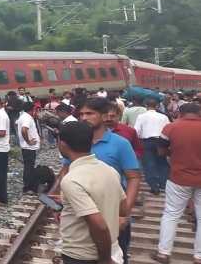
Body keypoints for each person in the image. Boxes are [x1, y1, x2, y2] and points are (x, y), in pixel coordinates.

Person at [58, 98, 140, 264]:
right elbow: (66, 171)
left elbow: (133, 178)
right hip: (85, 206)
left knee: (118, 251)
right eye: (81, 114)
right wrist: (64, 195)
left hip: (112, 208)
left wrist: (125, 214)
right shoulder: (79, 141)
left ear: (104, 116)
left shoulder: (121, 143)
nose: (84, 118)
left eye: (89, 113)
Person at [152, 103, 201, 264]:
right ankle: (198, 256)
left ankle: (163, 253)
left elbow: (161, 151)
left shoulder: (170, 128)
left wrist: (175, 153)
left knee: (171, 215)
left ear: (180, 113)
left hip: (178, 178)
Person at [135, 98, 171, 195]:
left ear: (146, 106)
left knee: (148, 164)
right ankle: (163, 182)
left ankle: (154, 186)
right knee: (162, 162)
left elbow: (136, 131)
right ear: (157, 106)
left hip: (146, 141)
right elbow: (168, 129)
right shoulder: (163, 117)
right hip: (161, 141)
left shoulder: (141, 116)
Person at [17, 101, 40, 194]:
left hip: (26, 146)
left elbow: (16, 124)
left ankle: (29, 186)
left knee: (28, 166)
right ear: (33, 109)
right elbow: (24, 130)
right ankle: (27, 188)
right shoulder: (27, 118)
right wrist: (28, 141)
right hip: (29, 147)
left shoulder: (22, 116)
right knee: (29, 167)